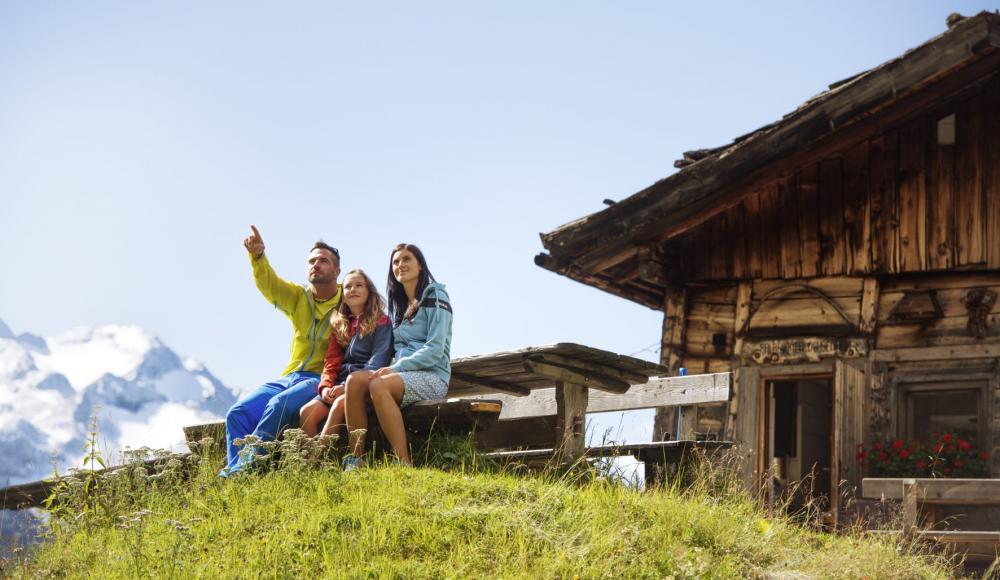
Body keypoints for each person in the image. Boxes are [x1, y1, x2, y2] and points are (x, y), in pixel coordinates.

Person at [220, 225, 343, 476]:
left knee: (278, 405)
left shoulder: (347, 301)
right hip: (289, 377)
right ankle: (238, 473)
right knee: (237, 413)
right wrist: (258, 257)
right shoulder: (299, 296)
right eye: (311, 261)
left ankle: (246, 469)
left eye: (323, 261)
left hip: (319, 380)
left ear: (337, 270)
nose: (315, 265)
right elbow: (271, 286)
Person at [343, 243, 453, 468]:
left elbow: (435, 349)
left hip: (432, 377)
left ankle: (402, 462)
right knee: (354, 381)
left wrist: (395, 368)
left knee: (378, 386)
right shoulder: (399, 307)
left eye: (406, 259)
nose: (400, 265)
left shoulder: (436, 294)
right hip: (401, 376)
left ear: (420, 265)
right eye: (395, 262)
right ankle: (355, 460)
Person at [299, 269, 393, 439]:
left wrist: (347, 387)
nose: (353, 289)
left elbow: (377, 361)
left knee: (338, 406)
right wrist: (326, 387)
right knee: (307, 412)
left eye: (359, 285)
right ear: (342, 295)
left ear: (368, 291)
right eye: (348, 286)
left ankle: (314, 462)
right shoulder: (339, 326)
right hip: (338, 385)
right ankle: (309, 462)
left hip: (363, 385)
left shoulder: (382, 321)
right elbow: (331, 362)